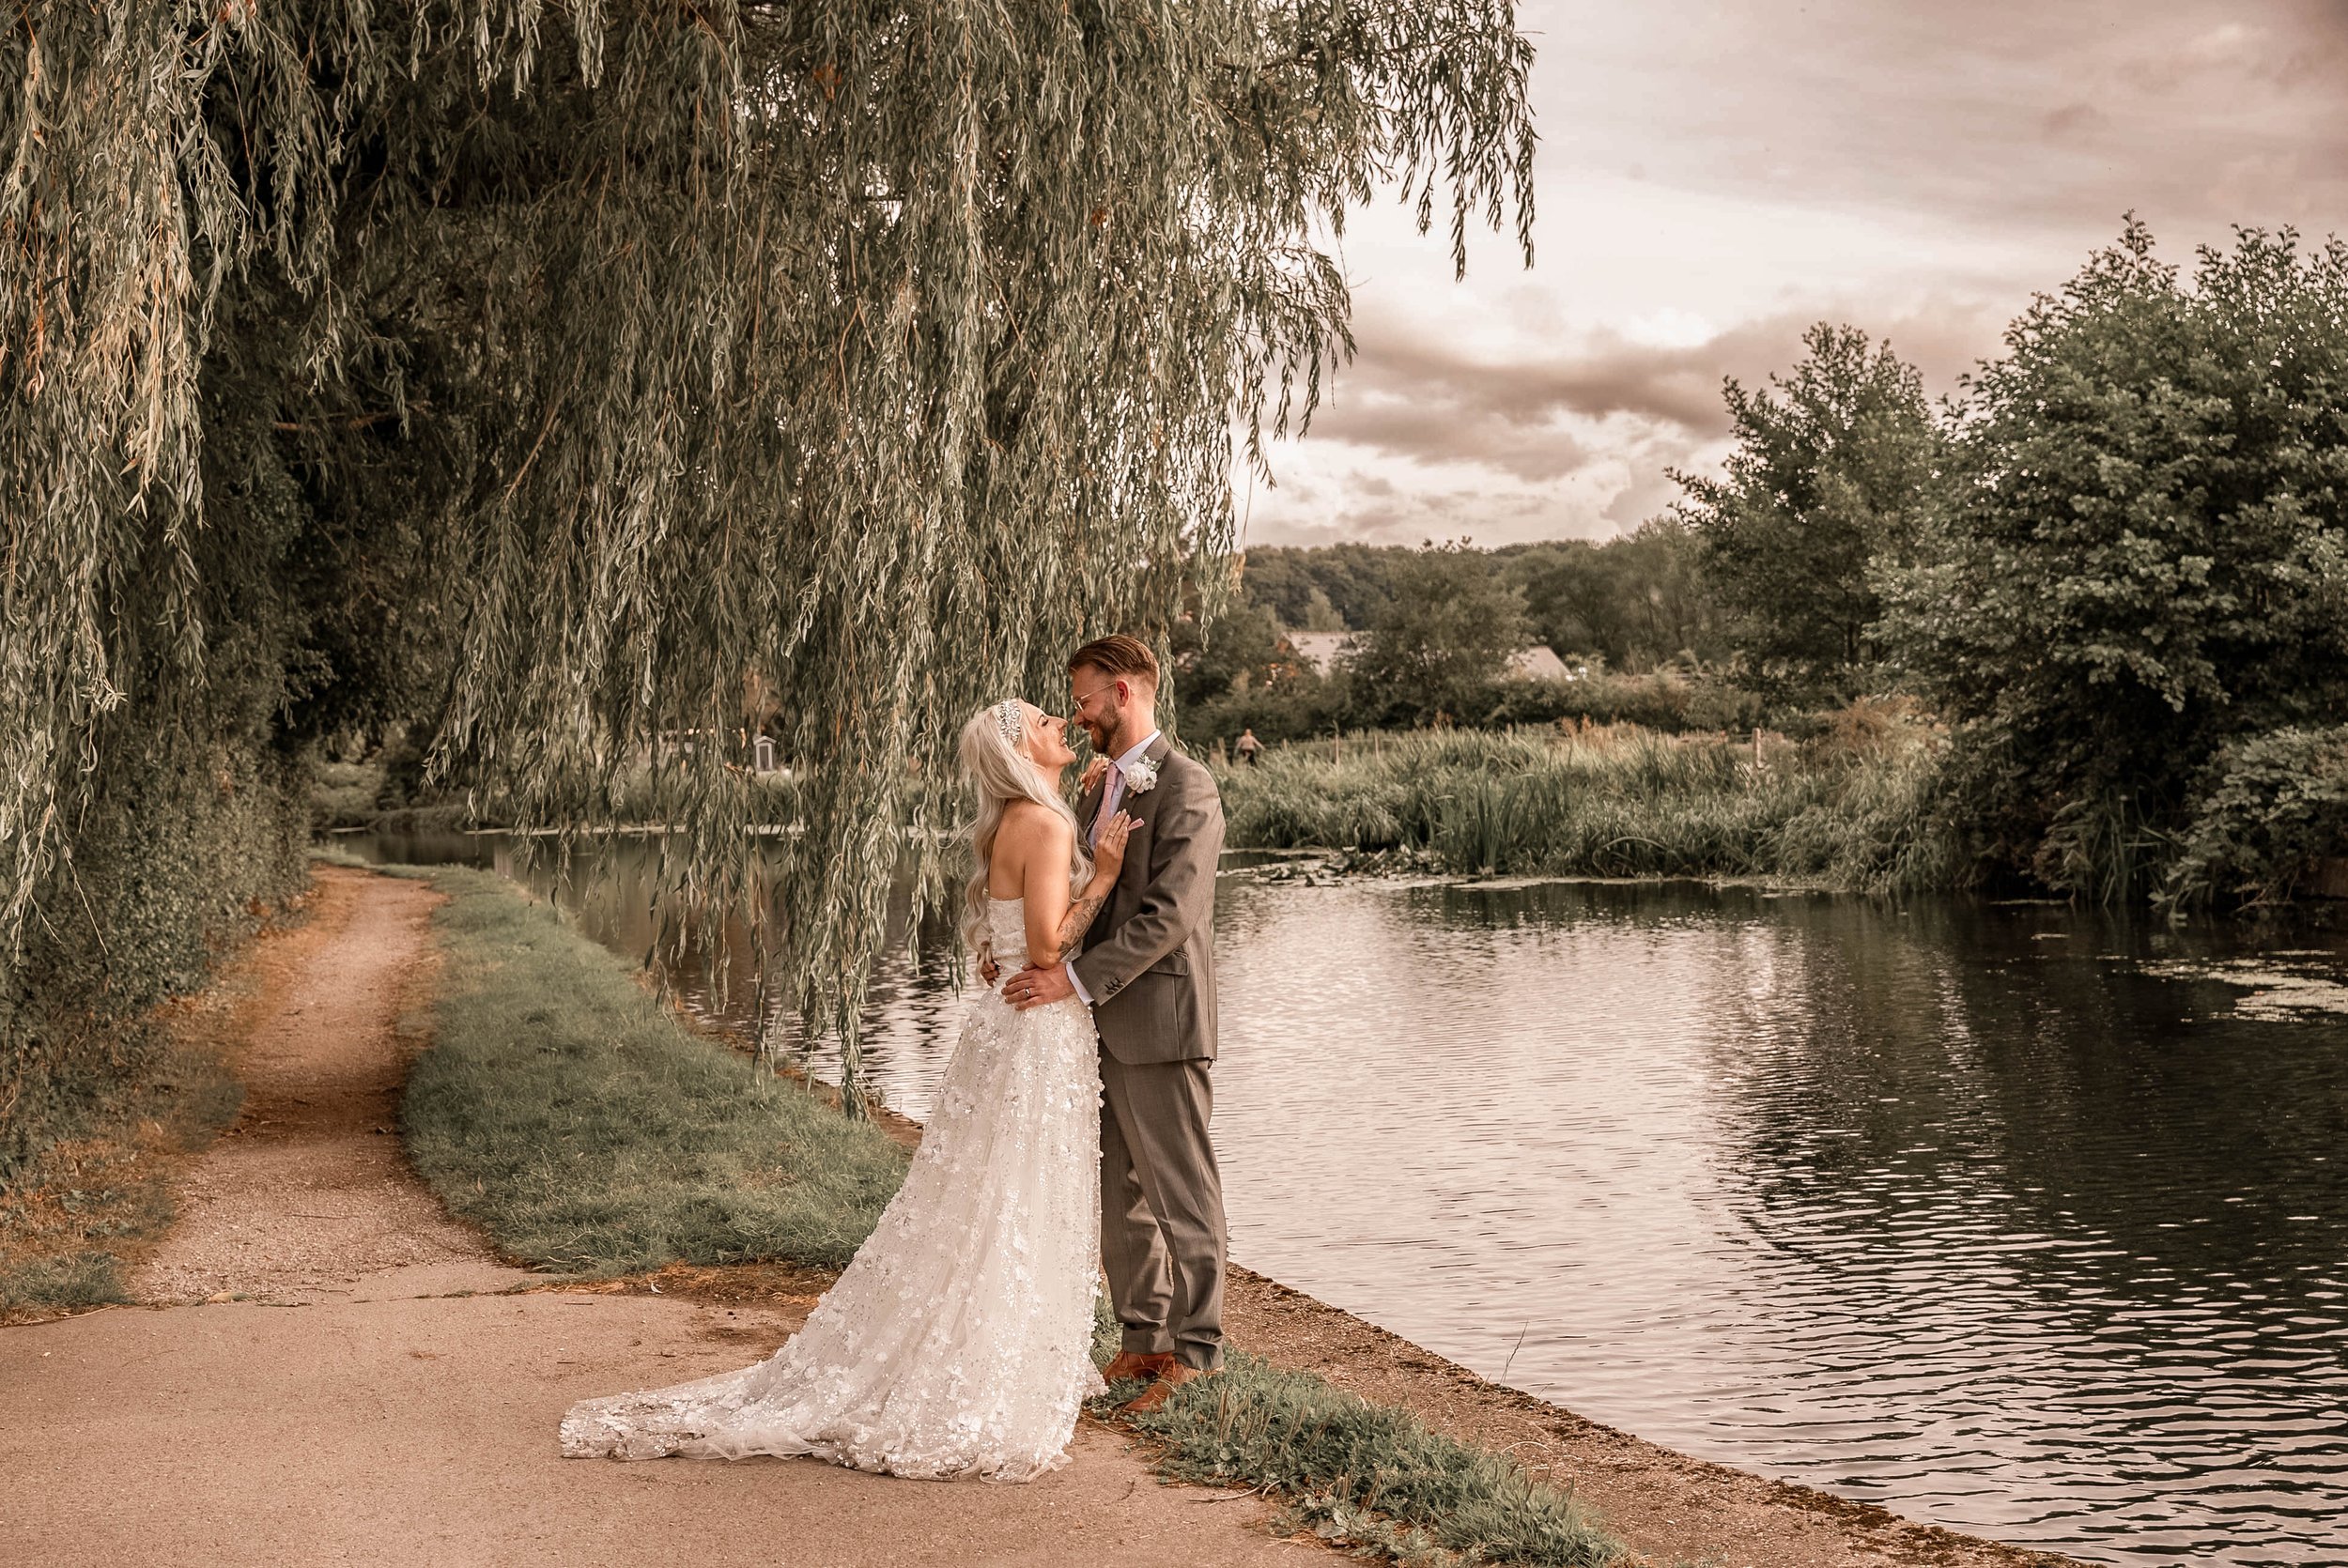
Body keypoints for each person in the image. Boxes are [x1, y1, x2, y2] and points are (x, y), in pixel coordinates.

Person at [560, 699, 1136, 1480]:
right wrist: (1102, 876)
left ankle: (978, 1354)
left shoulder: (1017, 821)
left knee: (994, 1197)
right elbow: (1042, 946)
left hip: (1009, 1032)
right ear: (1016, 748)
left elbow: (1007, 937)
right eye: (1042, 719)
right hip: (1035, 1033)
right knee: (1019, 1193)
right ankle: (987, 1371)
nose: (1057, 722)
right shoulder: (1045, 825)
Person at [999, 635, 1228, 1414]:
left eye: (1087, 696)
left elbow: (1169, 916)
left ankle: (1197, 1353)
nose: (1079, 711)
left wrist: (1071, 978)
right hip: (1094, 1028)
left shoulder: (1187, 788)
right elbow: (1082, 899)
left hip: (1161, 1021)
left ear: (1125, 693)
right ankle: (1144, 1340)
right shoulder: (1101, 786)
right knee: (1118, 1194)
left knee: (1181, 1193)